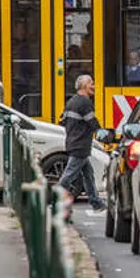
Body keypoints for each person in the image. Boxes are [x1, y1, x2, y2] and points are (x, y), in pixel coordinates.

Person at [58, 74, 106, 213]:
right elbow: (92, 122)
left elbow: (63, 120)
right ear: (84, 86)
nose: (93, 86)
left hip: (73, 142)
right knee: (68, 176)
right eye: (91, 83)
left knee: (88, 174)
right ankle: (56, 199)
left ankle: (95, 202)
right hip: (80, 144)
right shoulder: (85, 102)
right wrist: (102, 133)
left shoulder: (72, 101)